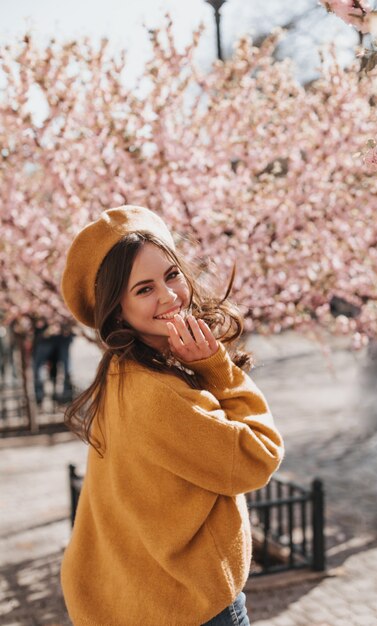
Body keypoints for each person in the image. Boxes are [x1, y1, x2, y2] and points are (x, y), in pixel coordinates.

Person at [60, 205, 284, 626]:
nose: (169, 296)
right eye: (143, 290)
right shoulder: (158, 394)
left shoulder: (120, 371)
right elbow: (259, 456)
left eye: (171, 275)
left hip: (130, 598)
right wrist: (217, 369)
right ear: (117, 310)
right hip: (188, 606)